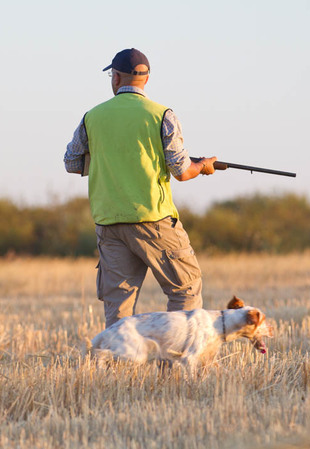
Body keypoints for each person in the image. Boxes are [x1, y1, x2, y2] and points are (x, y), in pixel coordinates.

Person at [64, 48, 217, 329]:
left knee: (118, 308)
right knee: (185, 290)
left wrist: (108, 157)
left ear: (116, 77)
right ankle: (175, 353)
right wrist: (203, 166)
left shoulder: (92, 117)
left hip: (110, 225)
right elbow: (182, 171)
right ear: (146, 79)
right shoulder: (162, 115)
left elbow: (72, 163)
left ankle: (117, 356)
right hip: (154, 221)